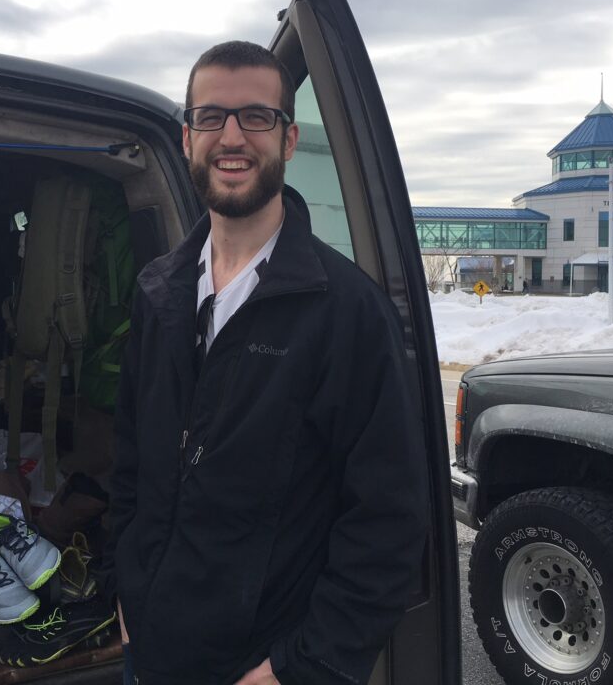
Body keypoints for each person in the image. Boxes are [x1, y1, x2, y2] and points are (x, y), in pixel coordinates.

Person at [101, 41, 429, 685]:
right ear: (187, 135)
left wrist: (300, 667)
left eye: (256, 117)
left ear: (287, 138)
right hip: (149, 650)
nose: (231, 137)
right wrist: (125, 587)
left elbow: (388, 525)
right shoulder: (158, 293)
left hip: (260, 671)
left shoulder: (348, 314)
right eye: (210, 117)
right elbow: (132, 465)